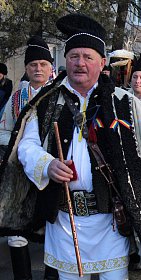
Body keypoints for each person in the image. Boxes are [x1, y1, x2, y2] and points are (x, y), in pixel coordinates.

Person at [0, 14, 141, 279]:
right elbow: (27, 146)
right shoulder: (48, 101)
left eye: (88, 57)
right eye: (74, 56)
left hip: (111, 223)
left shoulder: (125, 103)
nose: (80, 63)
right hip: (65, 223)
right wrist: (47, 164)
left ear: (101, 62)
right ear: (65, 60)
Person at [0, 35, 59, 280]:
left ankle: (51, 275)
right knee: (17, 232)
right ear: (26, 68)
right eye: (33, 64)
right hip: (21, 173)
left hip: (51, 171)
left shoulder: (60, 94)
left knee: (53, 229)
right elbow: (3, 131)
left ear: (50, 68)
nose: (38, 69)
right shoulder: (16, 98)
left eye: (43, 64)